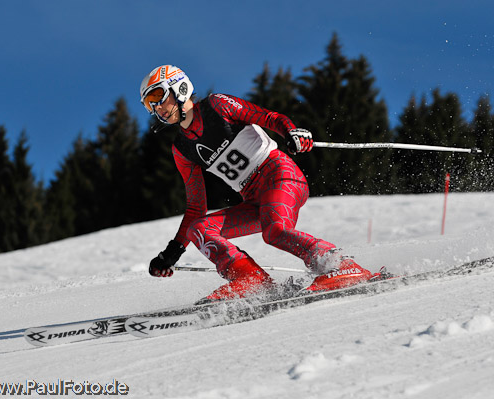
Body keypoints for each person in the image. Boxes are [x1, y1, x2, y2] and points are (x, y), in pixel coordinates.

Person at [140, 64, 379, 302]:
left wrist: (291, 132)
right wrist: (172, 253)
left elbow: (268, 117)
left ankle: (342, 266)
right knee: (200, 229)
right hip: (253, 198)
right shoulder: (182, 149)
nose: (157, 107)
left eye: (157, 96)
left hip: (279, 174)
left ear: (179, 88)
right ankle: (252, 280)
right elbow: (195, 208)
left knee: (275, 230)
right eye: (149, 104)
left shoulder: (217, 105)